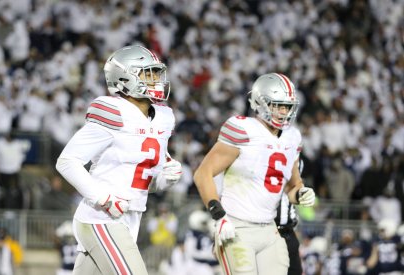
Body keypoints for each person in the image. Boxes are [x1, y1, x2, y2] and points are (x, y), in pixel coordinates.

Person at [56, 44, 182, 274]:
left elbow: (144, 184)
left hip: (130, 218)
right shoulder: (113, 111)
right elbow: (67, 161)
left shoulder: (164, 117)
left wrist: (165, 180)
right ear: (124, 77)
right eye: (148, 73)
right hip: (101, 218)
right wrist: (104, 199)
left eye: (156, 73)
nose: (156, 79)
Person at [193, 73, 316, 275]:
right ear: (261, 102)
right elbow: (203, 173)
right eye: (277, 105)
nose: (283, 111)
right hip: (237, 227)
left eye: (287, 106)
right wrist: (219, 216)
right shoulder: (243, 129)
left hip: (270, 230)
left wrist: (301, 193)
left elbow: (291, 186)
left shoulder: (293, 137)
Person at [274, 159, 304, 275]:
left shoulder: (296, 160)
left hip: (288, 231)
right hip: (267, 229)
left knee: (295, 271)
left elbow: (292, 189)